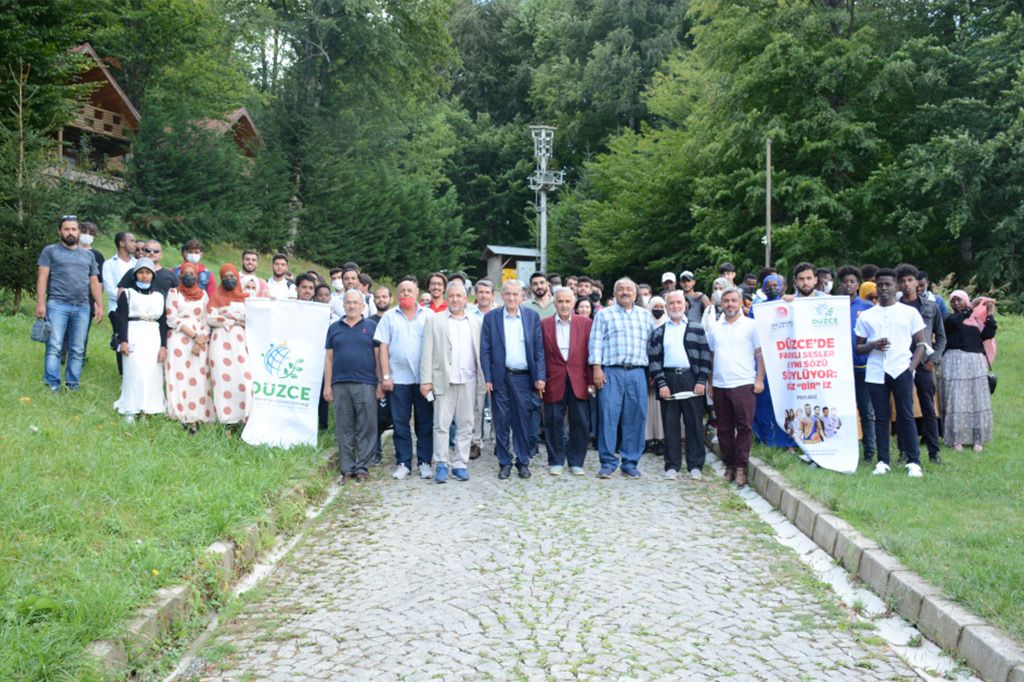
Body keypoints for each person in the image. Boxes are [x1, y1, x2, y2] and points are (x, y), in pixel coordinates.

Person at [854, 268, 929, 477]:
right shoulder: (867, 315)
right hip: (876, 372)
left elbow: (922, 343)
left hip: (901, 369)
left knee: (906, 415)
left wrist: (911, 369)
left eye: (888, 285)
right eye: (881, 285)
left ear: (895, 287)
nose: (884, 288)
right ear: (876, 287)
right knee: (881, 416)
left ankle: (913, 461)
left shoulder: (909, 312)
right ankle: (883, 461)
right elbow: (858, 348)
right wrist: (873, 345)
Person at [589, 278, 654, 479]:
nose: (625, 292)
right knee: (608, 416)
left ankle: (630, 462)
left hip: (637, 372)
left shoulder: (645, 316)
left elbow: (652, 345)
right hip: (611, 372)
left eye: (629, 289)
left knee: (636, 417)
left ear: (636, 294)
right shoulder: (604, 315)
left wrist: (652, 371)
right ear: (615, 293)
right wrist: (597, 368)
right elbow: (595, 342)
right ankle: (608, 462)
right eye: (621, 289)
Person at [481, 279, 545, 480]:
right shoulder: (492, 318)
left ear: (522, 296)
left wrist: (540, 376)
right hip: (500, 377)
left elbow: (539, 350)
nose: (511, 298)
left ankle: (523, 461)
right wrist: (488, 377)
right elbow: (485, 350)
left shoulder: (531, 317)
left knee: (522, 422)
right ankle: (504, 462)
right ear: (502, 295)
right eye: (508, 294)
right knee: (500, 422)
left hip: (524, 379)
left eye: (515, 294)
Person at [420, 281, 482, 483]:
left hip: (469, 379)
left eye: (459, 296)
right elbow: (427, 351)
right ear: (446, 298)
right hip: (443, 380)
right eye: (452, 296)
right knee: (441, 424)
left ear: (466, 299)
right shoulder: (435, 321)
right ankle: (441, 463)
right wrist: (426, 380)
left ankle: (460, 464)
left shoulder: (475, 322)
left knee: (466, 424)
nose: (455, 299)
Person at [648, 291, 713, 480]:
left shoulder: (696, 328)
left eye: (678, 303)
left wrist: (701, 380)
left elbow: (704, 356)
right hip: (669, 380)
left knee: (694, 423)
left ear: (684, 305)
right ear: (666, 307)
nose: (675, 306)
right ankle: (672, 465)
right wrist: (661, 383)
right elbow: (654, 360)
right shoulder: (659, 331)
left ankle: (695, 465)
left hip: (691, 379)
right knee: (670, 425)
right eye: (671, 303)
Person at [375, 275, 434, 480]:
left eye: (410, 290)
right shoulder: (389, 317)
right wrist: (385, 376)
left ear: (417, 293)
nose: (406, 293)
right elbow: (383, 348)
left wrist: (432, 378)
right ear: (397, 295)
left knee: (425, 423)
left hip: (423, 380)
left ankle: (425, 462)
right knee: (400, 423)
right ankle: (404, 462)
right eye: (402, 291)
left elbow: (435, 346)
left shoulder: (429, 315)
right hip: (398, 380)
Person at [35, 216, 104, 391]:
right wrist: (41, 303)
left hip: (82, 307)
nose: (70, 232)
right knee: (54, 346)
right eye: (66, 229)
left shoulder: (88, 255)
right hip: (57, 304)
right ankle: (52, 384)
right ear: (60, 231)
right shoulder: (50, 251)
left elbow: (94, 282)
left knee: (78, 349)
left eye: (74, 229)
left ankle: (73, 384)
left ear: (79, 232)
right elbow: (42, 278)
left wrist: (99, 304)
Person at [707, 287, 765, 487]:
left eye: (733, 300)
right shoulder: (715, 328)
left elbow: (760, 354)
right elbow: (712, 356)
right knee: (723, 428)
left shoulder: (752, 326)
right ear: (721, 304)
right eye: (726, 301)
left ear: (741, 303)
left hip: (744, 383)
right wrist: (711, 383)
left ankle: (741, 467)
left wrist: (759, 380)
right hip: (720, 384)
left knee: (744, 427)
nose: (730, 304)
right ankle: (729, 465)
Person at [324, 289, 380, 483]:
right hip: (340, 385)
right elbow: (329, 359)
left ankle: (362, 466)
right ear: (343, 305)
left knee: (367, 426)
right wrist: (327, 386)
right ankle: (347, 467)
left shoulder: (371, 327)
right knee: (344, 427)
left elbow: (378, 357)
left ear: (363, 306)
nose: (351, 306)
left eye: (356, 302)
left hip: (366, 383)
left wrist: (380, 382)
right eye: (348, 302)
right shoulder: (334, 328)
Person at [540, 287, 593, 476]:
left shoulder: (586, 323)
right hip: (553, 379)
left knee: (581, 421)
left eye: (567, 301)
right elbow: (540, 354)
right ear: (554, 303)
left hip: (579, 378)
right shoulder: (544, 324)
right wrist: (540, 378)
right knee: (553, 420)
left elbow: (591, 352)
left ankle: (576, 461)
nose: (564, 305)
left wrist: (591, 378)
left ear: (574, 303)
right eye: (560, 301)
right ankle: (556, 460)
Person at [896, 264, 945, 465]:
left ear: (918, 282)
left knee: (928, 408)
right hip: (901, 363)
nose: (907, 285)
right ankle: (904, 452)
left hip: (924, 363)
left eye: (910, 280)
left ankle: (934, 452)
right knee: (903, 409)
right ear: (898, 284)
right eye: (903, 281)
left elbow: (941, 336)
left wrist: (934, 359)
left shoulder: (930, 307)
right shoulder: (895, 308)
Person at [113, 258, 168, 421]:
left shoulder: (159, 296)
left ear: (153, 275)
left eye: (148, 273)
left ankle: (148, 408)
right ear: (135, 275)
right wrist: (123, 340)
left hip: (153, 334)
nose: (145, 276)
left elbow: (163, 322)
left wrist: (163, 346)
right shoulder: (127, 293)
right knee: (134, 371)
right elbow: (121, 317)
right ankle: (130, 408)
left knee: (151, 372)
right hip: (134, 332)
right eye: (141, 272)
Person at [942, 291, 996, 451]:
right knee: (957, 398)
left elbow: (988, 334)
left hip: (975, 362)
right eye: (953, 300)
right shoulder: (950, 318)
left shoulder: (977, 321)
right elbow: (953, 324)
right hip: (955, 361)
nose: (956, 303)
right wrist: (971, 307)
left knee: (976, 398)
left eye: (959, 300)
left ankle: (977, 439)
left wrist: (989, 314)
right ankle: (956, 438)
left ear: (965, 300)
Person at [750, 275, 798, 453]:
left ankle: (789, 443)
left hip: (785, 361)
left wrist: (791, 301)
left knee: (786, 401)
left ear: (781, 287)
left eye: (775, 285)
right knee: (764, 402)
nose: (772, 288)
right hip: (764, 361)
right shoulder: (756, 308)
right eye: (768, 286)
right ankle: (767, 439)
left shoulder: (789, 304)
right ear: (763, 288)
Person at [165, 261, 211, 433]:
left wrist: (201, 340)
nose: (189, 276)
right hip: (179, 339)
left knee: (197, 377)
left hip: (199, 341)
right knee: (178, 376)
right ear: (181, 275)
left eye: (193, 273)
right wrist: (193, 336)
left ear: (197, 276)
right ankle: (179, 414)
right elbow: (172, 318)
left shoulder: (204, 295)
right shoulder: (174, 293)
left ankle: (196, 414)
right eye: (186, 273)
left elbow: (207, 320)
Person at [837, 265, 877, 462]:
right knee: (841, 411)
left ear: (858, 284)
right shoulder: (832, 305)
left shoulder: (867, 307)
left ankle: (870, 451)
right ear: (840, 285)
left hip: (862, 367)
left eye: (852, 282)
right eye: (845, 282)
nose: (848, 285)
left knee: (866, 410)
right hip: (838, 368)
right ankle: (843, 448)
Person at [206, 264, 252, 427]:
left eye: (232, 276)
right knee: (222, 378)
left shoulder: (247, 297)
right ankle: (226, 419)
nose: (229, 280)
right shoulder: (216, 296)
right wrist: (228, 319)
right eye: (226, 277)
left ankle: (245, 417)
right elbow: (210, 318)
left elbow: (253, 319)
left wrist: (233, 318)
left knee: (244, 378)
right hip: (220, 341)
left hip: (240, 341)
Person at [469, 279, 497, 459]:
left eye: (487, 292)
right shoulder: (469, 315)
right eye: (481, 292)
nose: (484, 295)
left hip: (496, 365)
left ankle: (496, 440)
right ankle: (475, 442)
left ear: (493, 295)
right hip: (474, 365)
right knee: (476, 406)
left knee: (497, 405)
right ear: (476, 294)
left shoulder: (499, 314)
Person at [102, 230, 136, 374]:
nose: (134, 244)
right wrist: (123, 300)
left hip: (136, 308)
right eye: (132, 241)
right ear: (122, 243)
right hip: (116, 308)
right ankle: (122, 372)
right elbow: (110, 288)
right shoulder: (109, 264)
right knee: (121, 337)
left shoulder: (137, 263)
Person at [644, 296, 668, 456]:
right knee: (647, 409)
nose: (658, 309)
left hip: (663, 374)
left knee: (661, 410)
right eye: (655, 306)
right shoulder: (645, 324)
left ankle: (661, 440)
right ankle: (646, 440)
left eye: (661, 306)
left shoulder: (669, 325)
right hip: (646, 371)